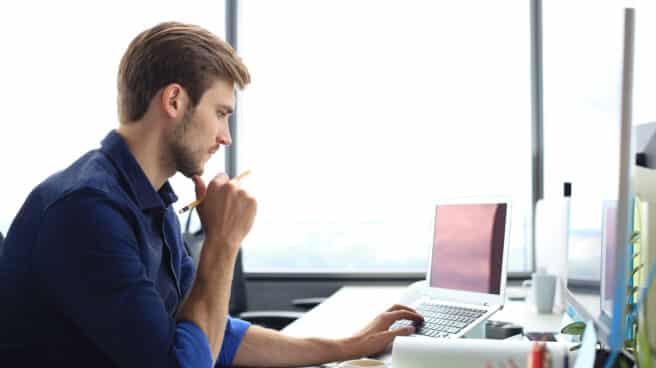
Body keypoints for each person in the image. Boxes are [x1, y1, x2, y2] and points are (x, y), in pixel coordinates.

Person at [0, 22, 422, 367]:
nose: (226, 137)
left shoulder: (152, 202)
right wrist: (223, 242)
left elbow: (208, 330)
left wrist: (345, 346)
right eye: (221, 113)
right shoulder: (86, 211)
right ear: (174, 100)